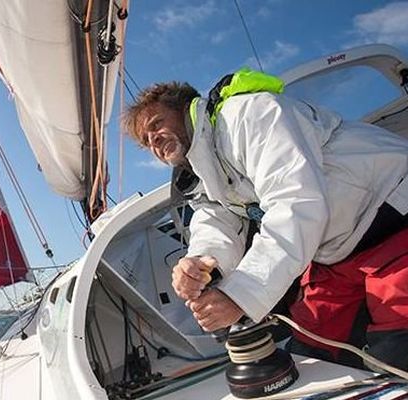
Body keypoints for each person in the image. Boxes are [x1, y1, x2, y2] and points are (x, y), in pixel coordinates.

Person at [122, 68, 408, 369]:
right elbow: (216, 222)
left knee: (395, 351)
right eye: (146, 141)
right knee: (311, 348)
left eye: (157, 124)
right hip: (339, 252)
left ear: (185, 109)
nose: (154, 140)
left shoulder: (249, 115)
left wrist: (240, 296)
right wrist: (202, 263)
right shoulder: (201, 176)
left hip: (395, 219)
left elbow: (295, 202)